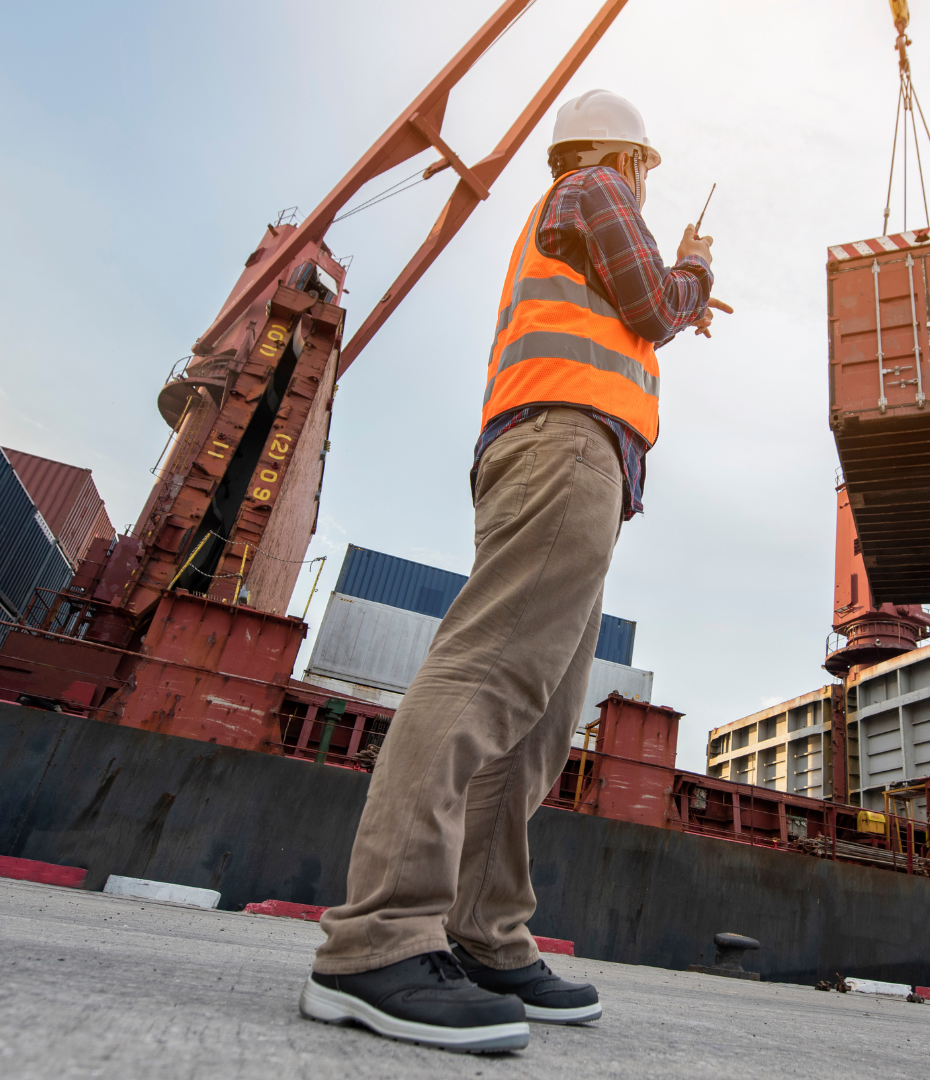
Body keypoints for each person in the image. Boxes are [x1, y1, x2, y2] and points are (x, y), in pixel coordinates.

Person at [296, 89, 726, 1053]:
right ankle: (377, 944)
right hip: (563, 448)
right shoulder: (594, 185)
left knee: (539, 721)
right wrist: (694, 269)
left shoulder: (579, 206)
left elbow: (636, 315)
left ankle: (481, 934)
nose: (648, 185)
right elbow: (657, 307)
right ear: (632, 159)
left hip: (585, 465)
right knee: (488, 677)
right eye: (648, 169)